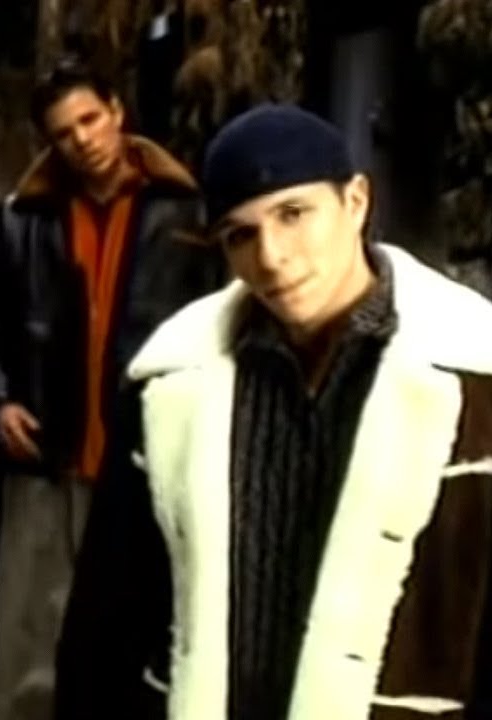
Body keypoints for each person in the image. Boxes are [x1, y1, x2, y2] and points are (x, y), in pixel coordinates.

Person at [56, 103, 492, 720]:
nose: (272, 256)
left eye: (293, 214)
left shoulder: (472, 375)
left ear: (356, 202)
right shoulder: (171, 384)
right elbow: (105, 622)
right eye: (241, 234)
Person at [0, 58, 223, 719]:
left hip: (148, 459)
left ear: (116, 111)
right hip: (49, 460)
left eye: (89, 120)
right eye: (63, 132)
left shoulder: (187, 212)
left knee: (134, 642)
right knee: (24, 651)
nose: (82, 140)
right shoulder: (21, 221)